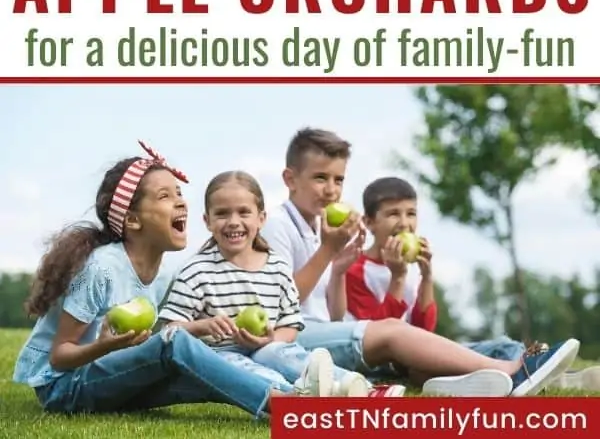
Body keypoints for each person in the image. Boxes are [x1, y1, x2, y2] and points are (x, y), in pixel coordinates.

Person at [261, 127, 581, 397]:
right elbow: (278, 306)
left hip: (321, 330)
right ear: (290, 179)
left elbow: (334, 315)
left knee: (466, 346)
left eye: (338, 180)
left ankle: (520, 372)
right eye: (320, 178)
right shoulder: (278, 224)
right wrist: (329, 253)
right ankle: (514, 371)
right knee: (393, 332)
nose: (331, 190)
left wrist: (337, 268)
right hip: (291, 339)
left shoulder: (320, 228)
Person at [12, 142, 322, 417]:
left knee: (203, 371)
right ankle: (284, 406)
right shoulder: (102, 268)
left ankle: (314, 401)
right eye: (164, 196)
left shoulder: (160, 271)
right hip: (64, 388)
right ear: (132, 220)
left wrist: (189, 331)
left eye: (179, 193)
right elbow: (60, 357)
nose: (181, 202)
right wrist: (104, 346)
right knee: (174, 342)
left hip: (105, 378)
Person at [158, 169, 404, 399]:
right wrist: (203, 326)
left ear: (261, 219)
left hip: (266, 346)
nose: (233, 221)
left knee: (277, 353)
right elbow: (169, 332)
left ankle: (364, 390)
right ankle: (295, 397)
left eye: (244, 212)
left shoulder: (276, 268)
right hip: (218, 357)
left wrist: (269, 338)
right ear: (207, 221)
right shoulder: (196, 271)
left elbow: (291, 326)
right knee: (233, 363)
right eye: (222, 213)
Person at [347, 175, 600, 391]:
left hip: (418, 346)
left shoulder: (411, 265)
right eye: (393, 214)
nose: (404, 223)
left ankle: (547, 377)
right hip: (392, 361)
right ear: (369, 222)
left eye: (411, 213)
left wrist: (426, 277)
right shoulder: (357, 271)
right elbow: (377, 334)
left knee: (504, 345)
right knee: (420, 368)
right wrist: (398, 278)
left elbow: (425, 327)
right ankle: (521, 379)